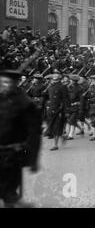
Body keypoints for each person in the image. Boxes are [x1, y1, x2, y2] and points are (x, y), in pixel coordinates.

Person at [0, 70, 42, 208]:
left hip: (11, 155)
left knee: (8, 192)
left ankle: (11, 200)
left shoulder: (25, 104)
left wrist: (33, 160)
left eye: (6, 82)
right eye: (1, 82)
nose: (3, 85)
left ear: (16, 84)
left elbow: (34, 133)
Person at [44, 72, 70, 150]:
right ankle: (62, 135)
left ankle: (55, 145)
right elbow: (48, 97)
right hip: (51, 109)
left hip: (59, 110)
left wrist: (67, 111)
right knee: (52, 126)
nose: (54, 80)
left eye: (56, 79)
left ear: (59, 79)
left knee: (57, 127)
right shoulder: (50, 87)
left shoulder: (63, 87)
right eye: (53, 79)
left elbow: (66, 100)